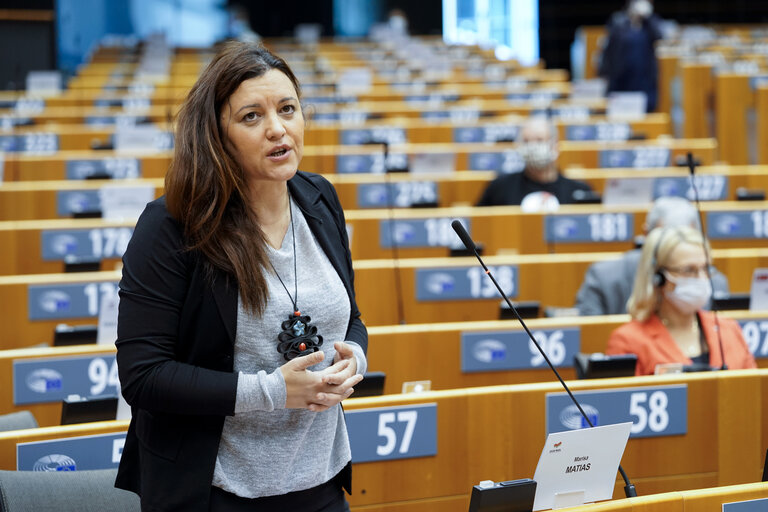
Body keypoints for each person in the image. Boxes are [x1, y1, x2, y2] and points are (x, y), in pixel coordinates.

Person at [114, 41, 367, 512]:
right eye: (252, 117)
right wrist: (274, 391)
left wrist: (354, 356)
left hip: (321, 482)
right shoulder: (172, 225)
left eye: (288, 109)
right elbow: (144, 376)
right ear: (217, 134)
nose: (278, 129)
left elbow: (350, 316)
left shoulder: (319, 199)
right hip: (214, 491)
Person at [605, 226, 756, 375]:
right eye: (689, 270)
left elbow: (753, 390)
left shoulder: (729, 329)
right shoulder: (628, 341)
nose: (701, 278)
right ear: (658, 278)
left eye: (705, 269)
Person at [575, 196, 729, 316]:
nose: (675, 251)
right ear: (646, 235)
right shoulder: (603, 279)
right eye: (666, 243)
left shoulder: (715, 283)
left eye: (685, 241)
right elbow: (591, 340)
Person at [475, 117, 593, 211]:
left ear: (555, 146)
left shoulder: (578, 191)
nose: (532, 147)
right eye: (526, 141)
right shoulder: (499, 187)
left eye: (539, 140)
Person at [599, 0, 663, 112]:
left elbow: (659, 37)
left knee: (646, 111)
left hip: (644, 80)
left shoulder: (649, 24)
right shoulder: (618, 22)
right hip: (622, 79)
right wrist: (604, 73)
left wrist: (648, 17)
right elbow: (609, 50)